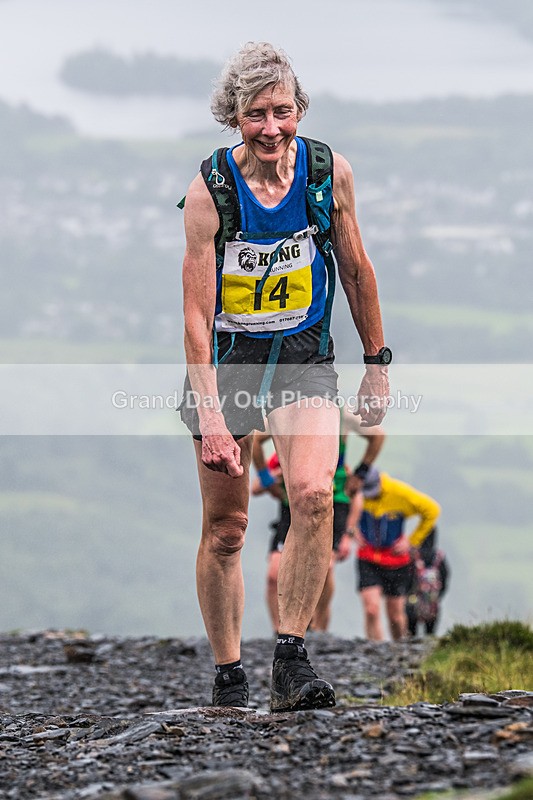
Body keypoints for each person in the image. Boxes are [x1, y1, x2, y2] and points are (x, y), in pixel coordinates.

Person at [179, 41, 390, 712]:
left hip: (303, 358)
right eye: (254, 115)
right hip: (230, 365)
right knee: (229, 529)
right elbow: (195, 313)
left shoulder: (328, 173)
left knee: (311, 497)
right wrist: (211, 414)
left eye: (282, 112)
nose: (271, 129)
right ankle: (228, 672)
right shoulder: (209, 191)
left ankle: (291, 660)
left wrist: (377, 366)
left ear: (297, 110)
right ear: (232, 118)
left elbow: (356, 270)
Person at [252, 412, 385, 632]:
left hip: (334, 500)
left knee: (325, 567)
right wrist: (268, 481)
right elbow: (256, 440)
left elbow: (377, 436)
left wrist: (360, 474)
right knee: (274, 574)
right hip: (292, 502)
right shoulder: (288, 410)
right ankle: (279, 631)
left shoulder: (341, 415)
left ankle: (318, 625)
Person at [347, 467, 440, 641]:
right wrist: (351, 530)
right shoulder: (355, 492)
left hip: (396, 561)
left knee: (395, 616)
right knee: (371, 608)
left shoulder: (400, 493)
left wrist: (412, 541)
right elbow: (336, 506)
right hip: (368, 557)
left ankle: (398, 651)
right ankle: (375, 651)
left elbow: (432, 510)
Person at [405, 527, 450, 636]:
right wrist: (438, 596)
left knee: (410, 637)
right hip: (433, 604)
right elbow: (445, 579)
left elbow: (405, 578)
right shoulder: (439, 557)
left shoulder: (412, 555)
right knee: (430, 638)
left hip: (412, 603)